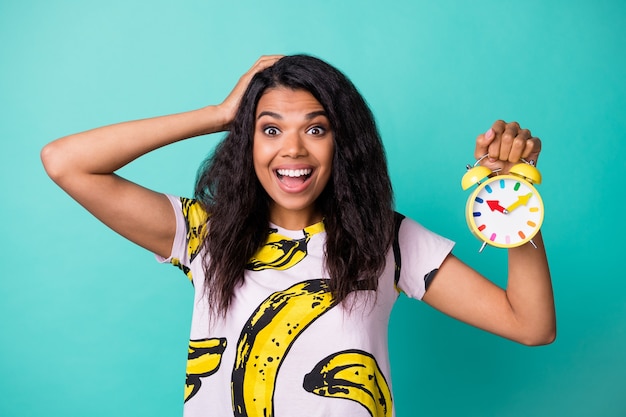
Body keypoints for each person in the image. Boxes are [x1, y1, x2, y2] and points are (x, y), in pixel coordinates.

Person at [41, 54, 555, 417]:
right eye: (269, 129)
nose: (292, 149)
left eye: (315, 128)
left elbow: (530, 324)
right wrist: (220, 115)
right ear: (248, 142)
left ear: (342, 143)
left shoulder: (385, 240)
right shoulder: (206, 236)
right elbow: (65, 163)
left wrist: (512, 196)